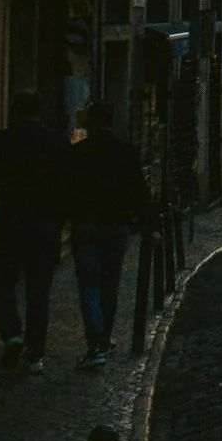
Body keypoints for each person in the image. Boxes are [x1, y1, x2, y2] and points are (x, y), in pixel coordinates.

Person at [0, 92, 69, 373]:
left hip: (11, 221)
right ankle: (34, 353)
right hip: (45, 225)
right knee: (38, 290)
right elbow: (68, 182)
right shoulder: (56, 142)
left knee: (3, 283)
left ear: (16, 113)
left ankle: (12, 334)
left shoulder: (4, 139)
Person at [66, 102, 149, 371]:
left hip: (86, 224)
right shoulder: (125, 152)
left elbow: (67, 188)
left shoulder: (78, 153)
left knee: (89, 284)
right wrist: (150, 224)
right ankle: (103, 338)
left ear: (90, 123)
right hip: (116, 225)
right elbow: (138, 190)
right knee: (110, 283)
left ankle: (97, 344)